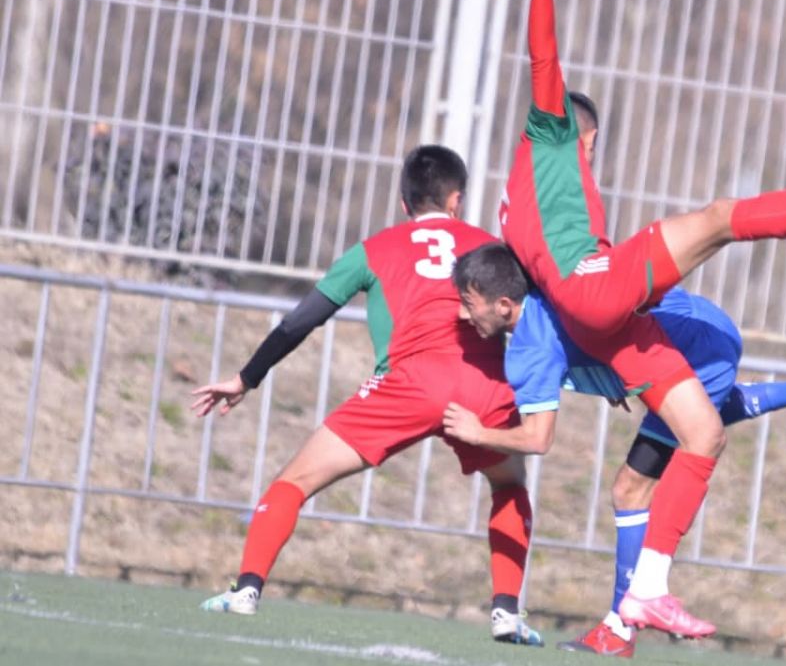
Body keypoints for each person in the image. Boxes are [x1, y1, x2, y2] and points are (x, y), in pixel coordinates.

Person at [498, 0, 786, 638]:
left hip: (608, 321)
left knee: (703, 434)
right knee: (720, 217)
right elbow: (543, 56)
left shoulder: (545, 202)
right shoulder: (551, 137)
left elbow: (529, 281)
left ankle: (643, 595)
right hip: (598, 291)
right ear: (577, 130)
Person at [190, 145, 543, 647]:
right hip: (482, 388)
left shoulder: (375, 249)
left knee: (294, 481)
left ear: (404, 204)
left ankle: (246, 589)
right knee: (509, 486)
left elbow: (301, 320)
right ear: (457, 200)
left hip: (405, 386)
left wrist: (247, 377)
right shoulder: (490, 248)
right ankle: (506, 612)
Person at [445, 242, 786, 656]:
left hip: (693, 351)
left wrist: (479, 433)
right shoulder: (553, 278)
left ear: (502, 304)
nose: (463, 314)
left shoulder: (529, 348)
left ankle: (620, 628)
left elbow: (537, 438)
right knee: (703, 411)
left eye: (468, 302)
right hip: (702, 323)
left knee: (631, 488)